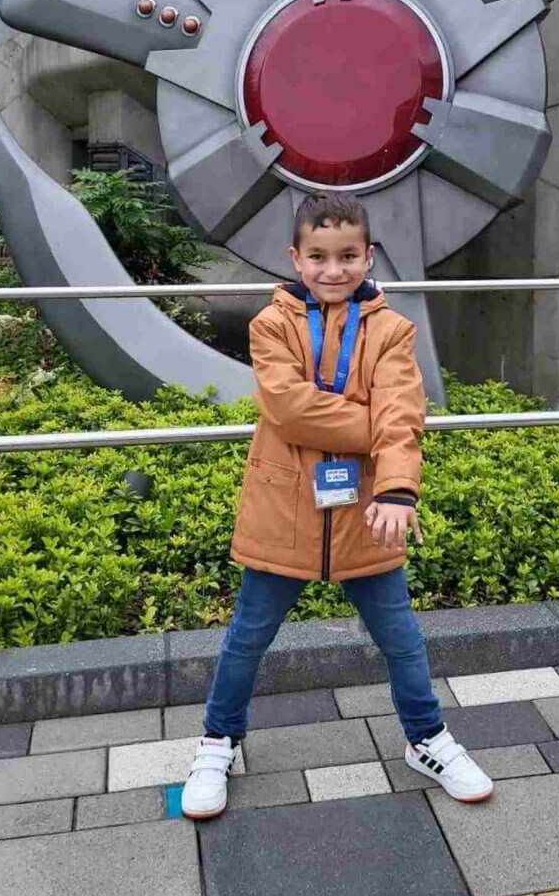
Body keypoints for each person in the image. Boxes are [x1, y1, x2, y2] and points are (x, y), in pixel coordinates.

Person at [181, 190, 494, 818]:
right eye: (319, 256)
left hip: (368, 512)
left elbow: (402, 415)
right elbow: (290, 409)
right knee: (247, 639)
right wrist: (376, 421)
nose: (333, 269)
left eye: (347, 255)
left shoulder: (392, 331)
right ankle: (218, 743)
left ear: (368, 256)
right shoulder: (271, 325)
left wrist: (397, 486)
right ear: (295, 258)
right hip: (283, 510)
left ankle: (427, 740)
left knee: (402, 640)